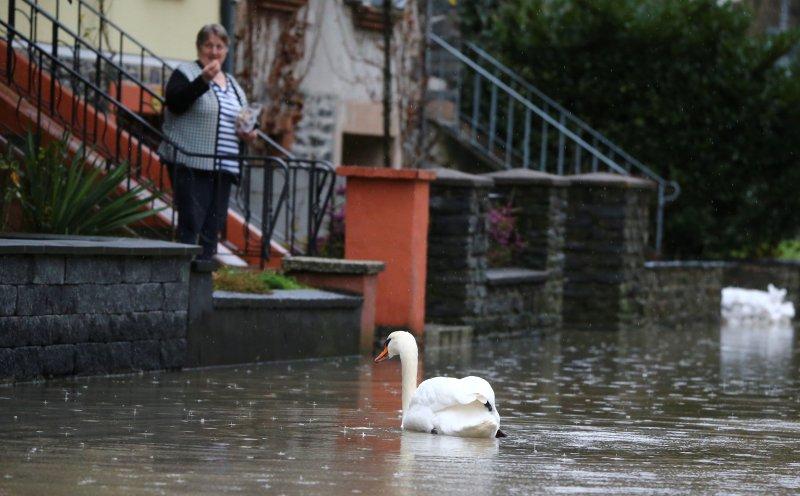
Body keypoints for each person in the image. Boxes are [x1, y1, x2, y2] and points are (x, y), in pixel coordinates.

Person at [158, 24, 257, 260]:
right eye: (208, 45)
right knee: (191, 225)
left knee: (212, 231)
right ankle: (186, 283)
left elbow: (245, 118)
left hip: (224, 168)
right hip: (193, 164)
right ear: (199, 47)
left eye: (219, 46)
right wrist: (203, 80)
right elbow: (175, 102)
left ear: (226, 50)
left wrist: (250, 132)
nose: (214, 52)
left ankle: (202, 284)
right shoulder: (187, 72)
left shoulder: (233, 84)